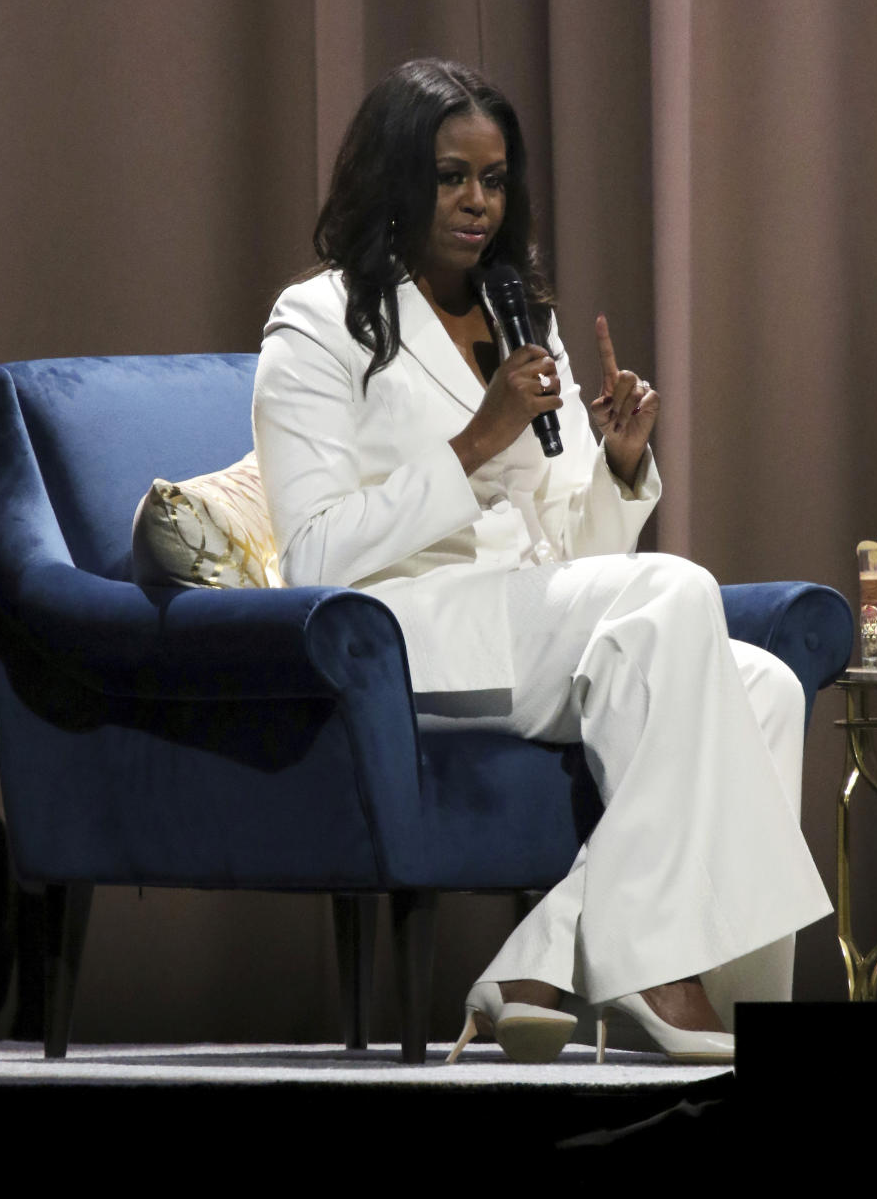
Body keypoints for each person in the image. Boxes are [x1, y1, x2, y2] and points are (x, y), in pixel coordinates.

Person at [252, 57, 832, 1064]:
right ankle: (651, 970)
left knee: (769, 686)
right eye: (450, 177)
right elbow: (314, 558)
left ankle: (565, 970)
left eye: (495, 177)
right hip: (409, 631)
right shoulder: (318, 324)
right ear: (397, 177)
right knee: (677, 587)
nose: (478, 203)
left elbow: (574, 554)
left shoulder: (524, 317)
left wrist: (618, 465)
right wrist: (476, 441)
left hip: (532, 620)